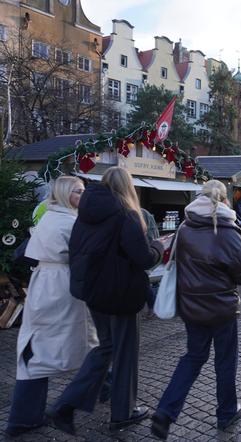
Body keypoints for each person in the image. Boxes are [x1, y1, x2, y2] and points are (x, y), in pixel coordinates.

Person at [47, 167, 164, 435]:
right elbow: (143, 258)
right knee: (125, 353)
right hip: (121, 293)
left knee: (105, 347)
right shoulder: (126, 215)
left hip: (94, 292)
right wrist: (159, 246)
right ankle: (123, 413)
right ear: (128, 187)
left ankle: (66, 403)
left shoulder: (85, 214)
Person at [150, 180, 241, 439]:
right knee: (225, 360)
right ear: (224, 199)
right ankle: (227, 411)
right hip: (222, 309)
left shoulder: (185, 228)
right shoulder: (229, 230)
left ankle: (165, 411)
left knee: (193, 358)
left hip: (192, 307)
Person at [5, 177, 97, 438]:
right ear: (66, 194)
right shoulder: (69, 221)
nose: (83, 195)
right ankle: (85, 396)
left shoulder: (52, 216)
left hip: (45, 284)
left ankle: (25, 416)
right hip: (60, 287)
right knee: (92, 346)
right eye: (78, 191)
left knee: (36, 351)